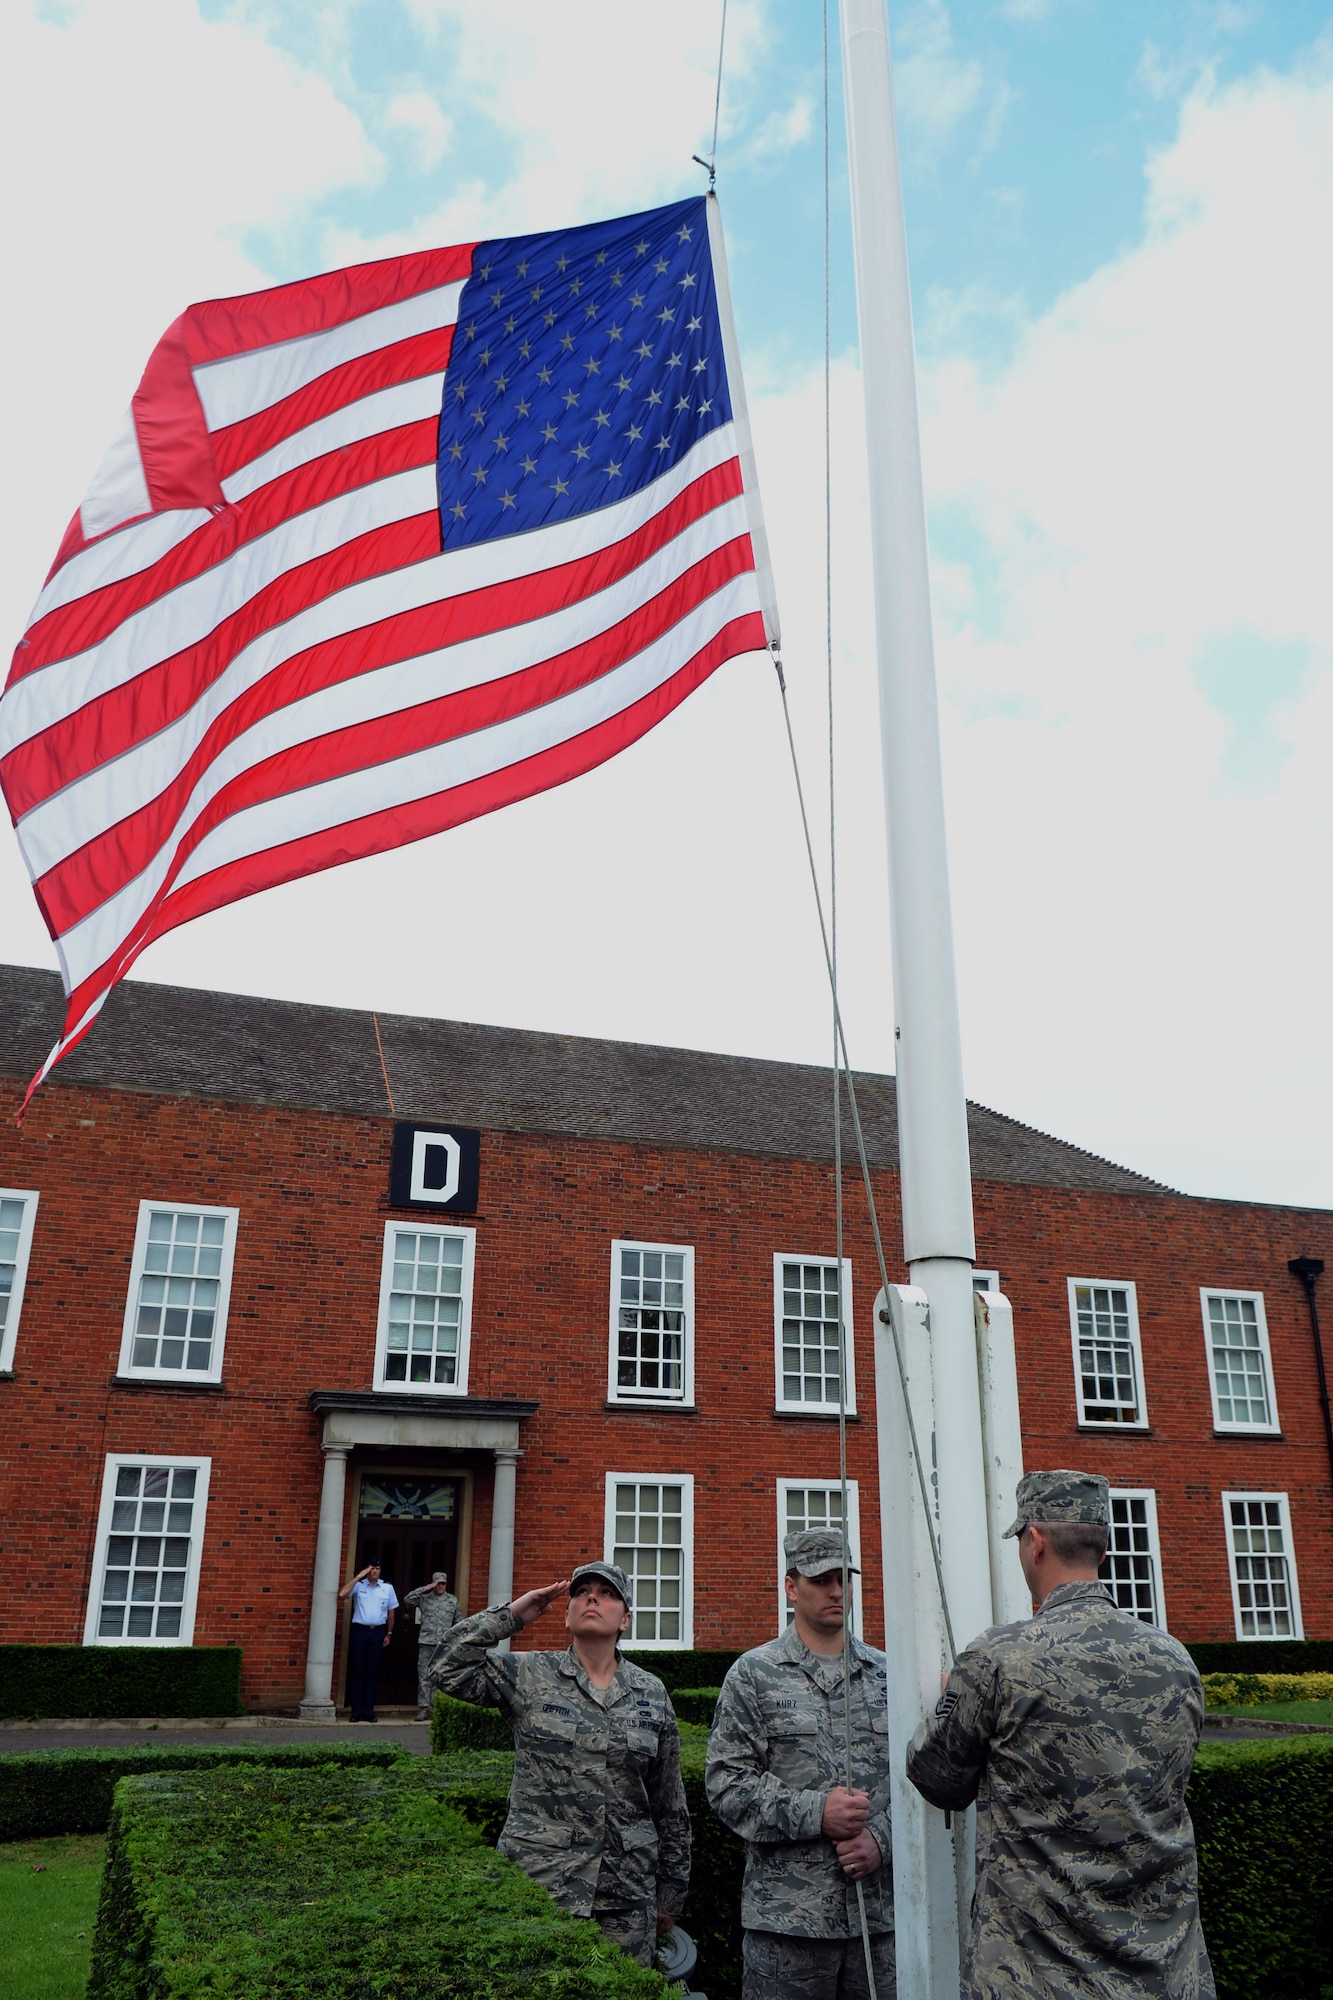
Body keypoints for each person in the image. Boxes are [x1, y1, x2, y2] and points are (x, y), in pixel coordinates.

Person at [906, 1469, 1216, 2000]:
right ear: (1102, 1547)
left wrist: (951, 1700)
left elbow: (936, 1779)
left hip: (1034, 1977)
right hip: (1165, 1973)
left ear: (1037, 1540)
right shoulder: (1175, 1660)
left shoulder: (998, 1659)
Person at [426, 1560, 690, 1966]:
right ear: (566, 1617)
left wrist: (671, 1894)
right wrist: (513, 1615)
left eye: (607, 1594)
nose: (592, 1599)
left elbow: (669, 1801)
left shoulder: (650, 1692)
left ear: (625, 1619)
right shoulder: (531, 1674)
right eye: (582, 1592)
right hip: (540, 1887)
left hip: (625, 1894)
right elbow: (445, 1666)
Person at [706, 1528, 895, 2000]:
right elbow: (727, 1784)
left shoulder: (889, 1675)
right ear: (791, 1587)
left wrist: (882, 1839)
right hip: (789, 1924)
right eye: (821, 1579)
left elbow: (921, 1779)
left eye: (843, 1578)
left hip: (881, 1924)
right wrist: (816, 1812)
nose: (836, 1591)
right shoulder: (753, 1674)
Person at [338, 1559, 398, 1723]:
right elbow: (342, 1594)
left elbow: (391, 1612)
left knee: (372, 1672)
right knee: (358, 1671)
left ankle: (368, 1711)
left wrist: (389, 1633)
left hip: (378, 1632)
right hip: (360, 1631)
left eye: (377, 1569)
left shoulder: (387, 1588)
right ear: (367, 1570)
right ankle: (356, 1711)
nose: (375, 1572)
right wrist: (359, 1576)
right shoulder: (359, 1585)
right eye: (372, 1569)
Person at [403, 1569, 460, 1718]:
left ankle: (436, 1707)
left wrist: (454, 1641)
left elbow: (458, 1622)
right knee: (424, 1675)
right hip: (426, 1642)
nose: (440, 1586)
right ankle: (423, 1707)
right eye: (438, 1584)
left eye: (443, 1583)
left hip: (443, 1644)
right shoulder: (425, 1598)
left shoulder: (452, 1601)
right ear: (433, 1584)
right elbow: (407, 1600)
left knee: (440, 1675)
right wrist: (425, 1588)